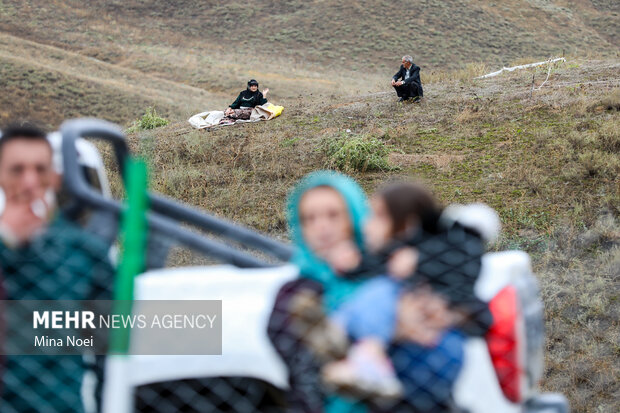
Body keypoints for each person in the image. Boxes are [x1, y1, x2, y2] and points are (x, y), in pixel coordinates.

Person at [0, 123, 114, 412]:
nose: (29, 182)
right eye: (17, 170)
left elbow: (110, 345)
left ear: (55, 177)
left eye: (39, 170)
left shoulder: (83, 251)